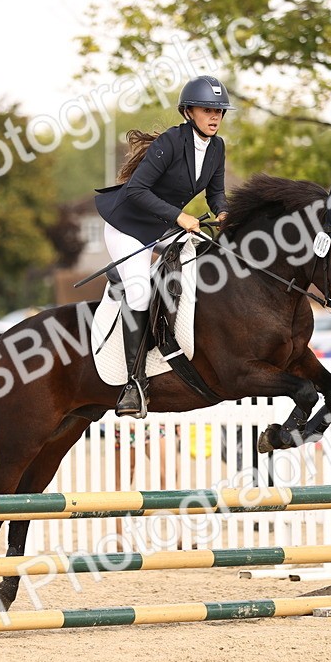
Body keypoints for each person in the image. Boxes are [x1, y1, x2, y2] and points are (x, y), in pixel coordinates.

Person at [94, 75, 232, 417]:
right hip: (128, 226)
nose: (215, 117)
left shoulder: (217, 147)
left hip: (163, 226)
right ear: (188, 112)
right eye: (207, 110)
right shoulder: (170, 142)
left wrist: (226, 212)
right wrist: (180, 217)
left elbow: (215, 193)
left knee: (202, 267)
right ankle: (132, 382)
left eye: (220, 111)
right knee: (140, 290)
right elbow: (137, 191)